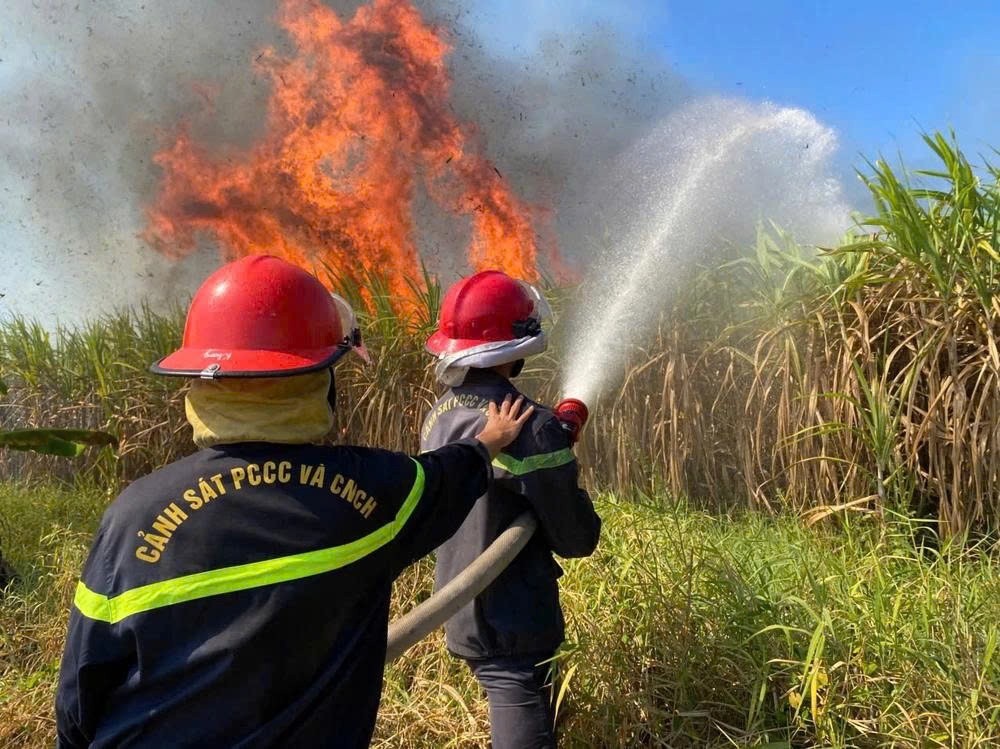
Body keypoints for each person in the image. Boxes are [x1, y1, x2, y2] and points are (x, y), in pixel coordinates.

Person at [54, 255, 533, 748]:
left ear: (198, 384)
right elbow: (448, 475)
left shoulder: (131, 515)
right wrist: (489, 441)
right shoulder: (375, 493)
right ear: (319, 382)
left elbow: (79, 694)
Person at [421, 270, 602, 749]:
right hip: (512, 613)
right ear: (517, 345)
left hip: (463, 601)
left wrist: (553, 440)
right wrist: (555, 450)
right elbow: (576, 538)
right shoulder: (531, 425)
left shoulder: (441, 409)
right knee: (519, 694)